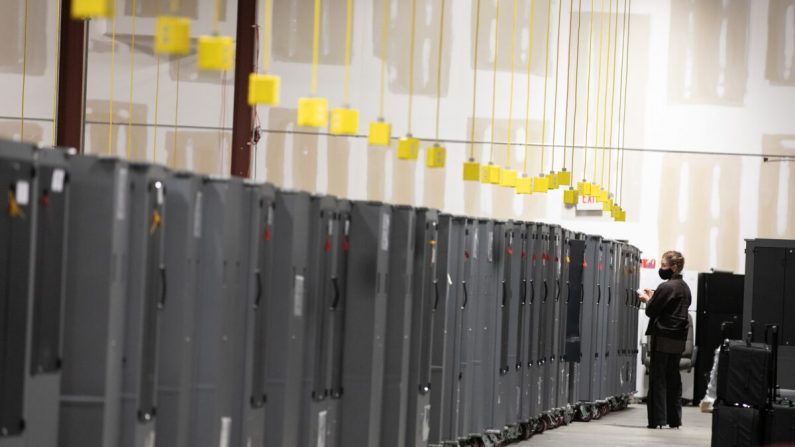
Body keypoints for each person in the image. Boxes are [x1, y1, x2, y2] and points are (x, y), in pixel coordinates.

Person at [639, 250, 691, 429]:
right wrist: (654, 299)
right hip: (678, 341)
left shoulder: (666, 287)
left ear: (674, 267)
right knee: (673, 378)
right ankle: (674, 420)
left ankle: (658, 420)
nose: (661, 269)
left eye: (663, 265)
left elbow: (651, 311)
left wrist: (648, 299)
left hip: (662, 338)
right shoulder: (684, 287)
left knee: (658, 379)